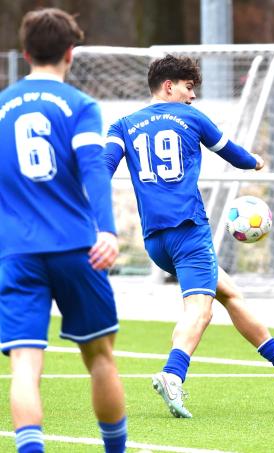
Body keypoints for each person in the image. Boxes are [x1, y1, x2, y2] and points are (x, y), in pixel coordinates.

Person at [103, 55, 274, 419]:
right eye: (188, 86)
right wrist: (257, 162)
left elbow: (101, 170)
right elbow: (235, 155)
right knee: (201, 309)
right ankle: (172, 375)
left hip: (155, 241)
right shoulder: (191, 118)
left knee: (229, 292)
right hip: (189, 231)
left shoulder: (122, 126)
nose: (192, 96)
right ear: (169, 86)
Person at [0, 8, 128, 453]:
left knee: (24, 367)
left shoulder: (1, 107)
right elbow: (94, 168)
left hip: (16, 252)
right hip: (79, 247)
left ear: (25, 52)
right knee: (99, 359)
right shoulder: (79, 106)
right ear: (71, 53)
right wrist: (106, 230)